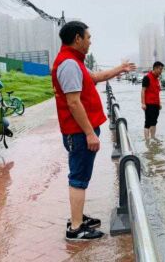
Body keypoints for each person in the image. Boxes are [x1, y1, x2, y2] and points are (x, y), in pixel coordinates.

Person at [51, 21, 136, 241]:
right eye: (88, 37)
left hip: (80, 131)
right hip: (78, 132)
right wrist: (89, 133)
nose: (90, 41)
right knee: (78, 177)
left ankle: (78, 217)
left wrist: (121, 69)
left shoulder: (74, 62)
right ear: (77, 38)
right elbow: (73, 103)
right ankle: (76, 228)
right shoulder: (69, 64)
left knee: (80, 174)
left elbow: (95, 78)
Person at [141, 61, 164, 141]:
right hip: (148, 104)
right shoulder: (147, 78)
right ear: (155, 68)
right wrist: (143, 103)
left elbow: (157, 93)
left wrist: (159, 103)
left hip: (156, 105)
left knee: (154, 122)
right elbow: (143, 91)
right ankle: (147, 140)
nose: (161, 71)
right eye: (160, 69)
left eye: (162, 69)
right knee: (148, 122)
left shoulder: (157, 79)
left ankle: (153, 137)